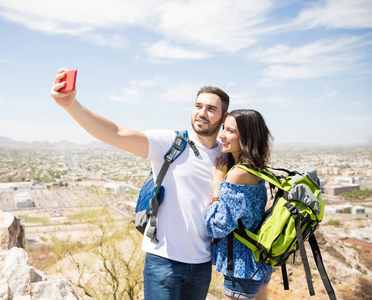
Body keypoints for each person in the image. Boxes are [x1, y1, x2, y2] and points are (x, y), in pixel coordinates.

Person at [51, 68, 230, 300]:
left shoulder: (226, 157)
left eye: (211, 108)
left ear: (224, 118)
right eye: (198, 106)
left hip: (202, 264)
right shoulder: (172, 142)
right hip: (163, 260)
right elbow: (116, 133)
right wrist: (72, 106)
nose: (202, 113)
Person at [205, 109, 274, 300]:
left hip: (242, 267)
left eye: (230, 131)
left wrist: (217, 184)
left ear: (247, 137)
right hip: (257, 260)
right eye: (223, 129)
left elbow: (218, 227)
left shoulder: (237, 175)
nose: (222, 135)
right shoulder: (256, 168)